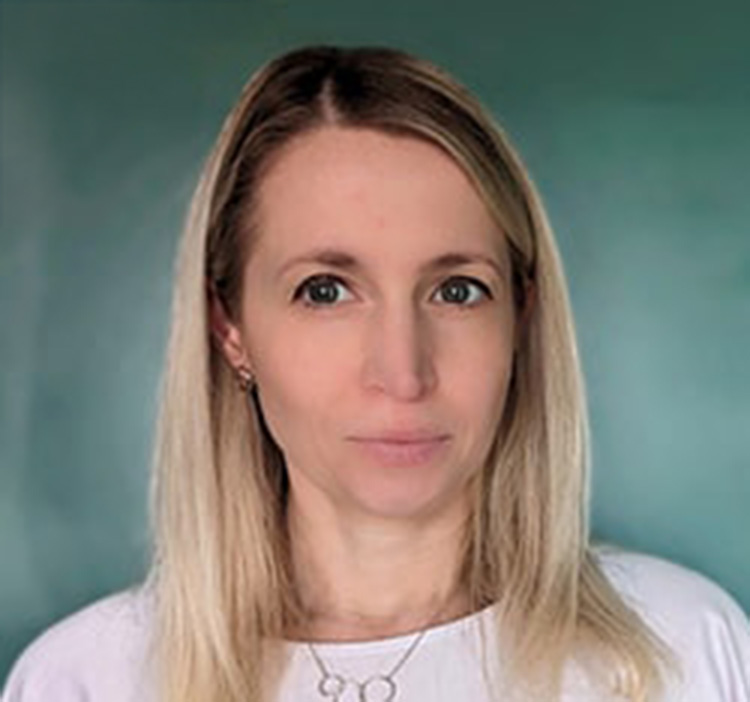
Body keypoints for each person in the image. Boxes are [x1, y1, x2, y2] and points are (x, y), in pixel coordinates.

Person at [2, 45, 749, 702]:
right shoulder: (85, 681)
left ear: (521, 321)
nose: (403, 372)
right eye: (326, 291)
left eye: (457, 291)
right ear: (228, 327)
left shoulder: (684, 650)